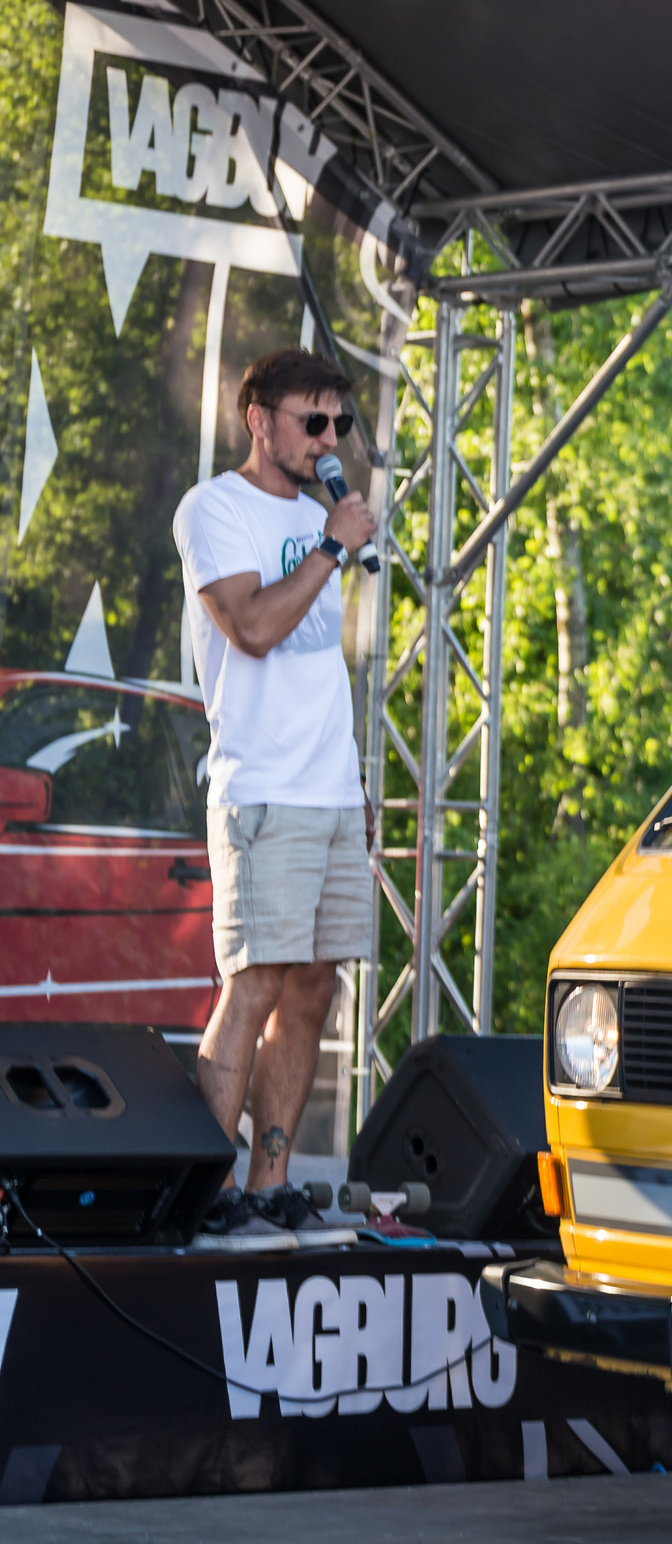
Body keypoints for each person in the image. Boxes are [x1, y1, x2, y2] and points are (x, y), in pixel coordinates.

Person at [174, 348, 376, 1250]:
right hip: (261, 791)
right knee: (253, 983)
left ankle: (270, 1184)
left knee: (313, 987)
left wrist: (353, 785)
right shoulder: (213, 508)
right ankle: (203, 1189)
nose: (330, 439)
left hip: (330, 790)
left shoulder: (315, 516)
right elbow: (253, 628)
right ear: (260, 420)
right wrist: (332, 545)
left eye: (340, 423)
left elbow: (319, 667)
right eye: (313, 421)